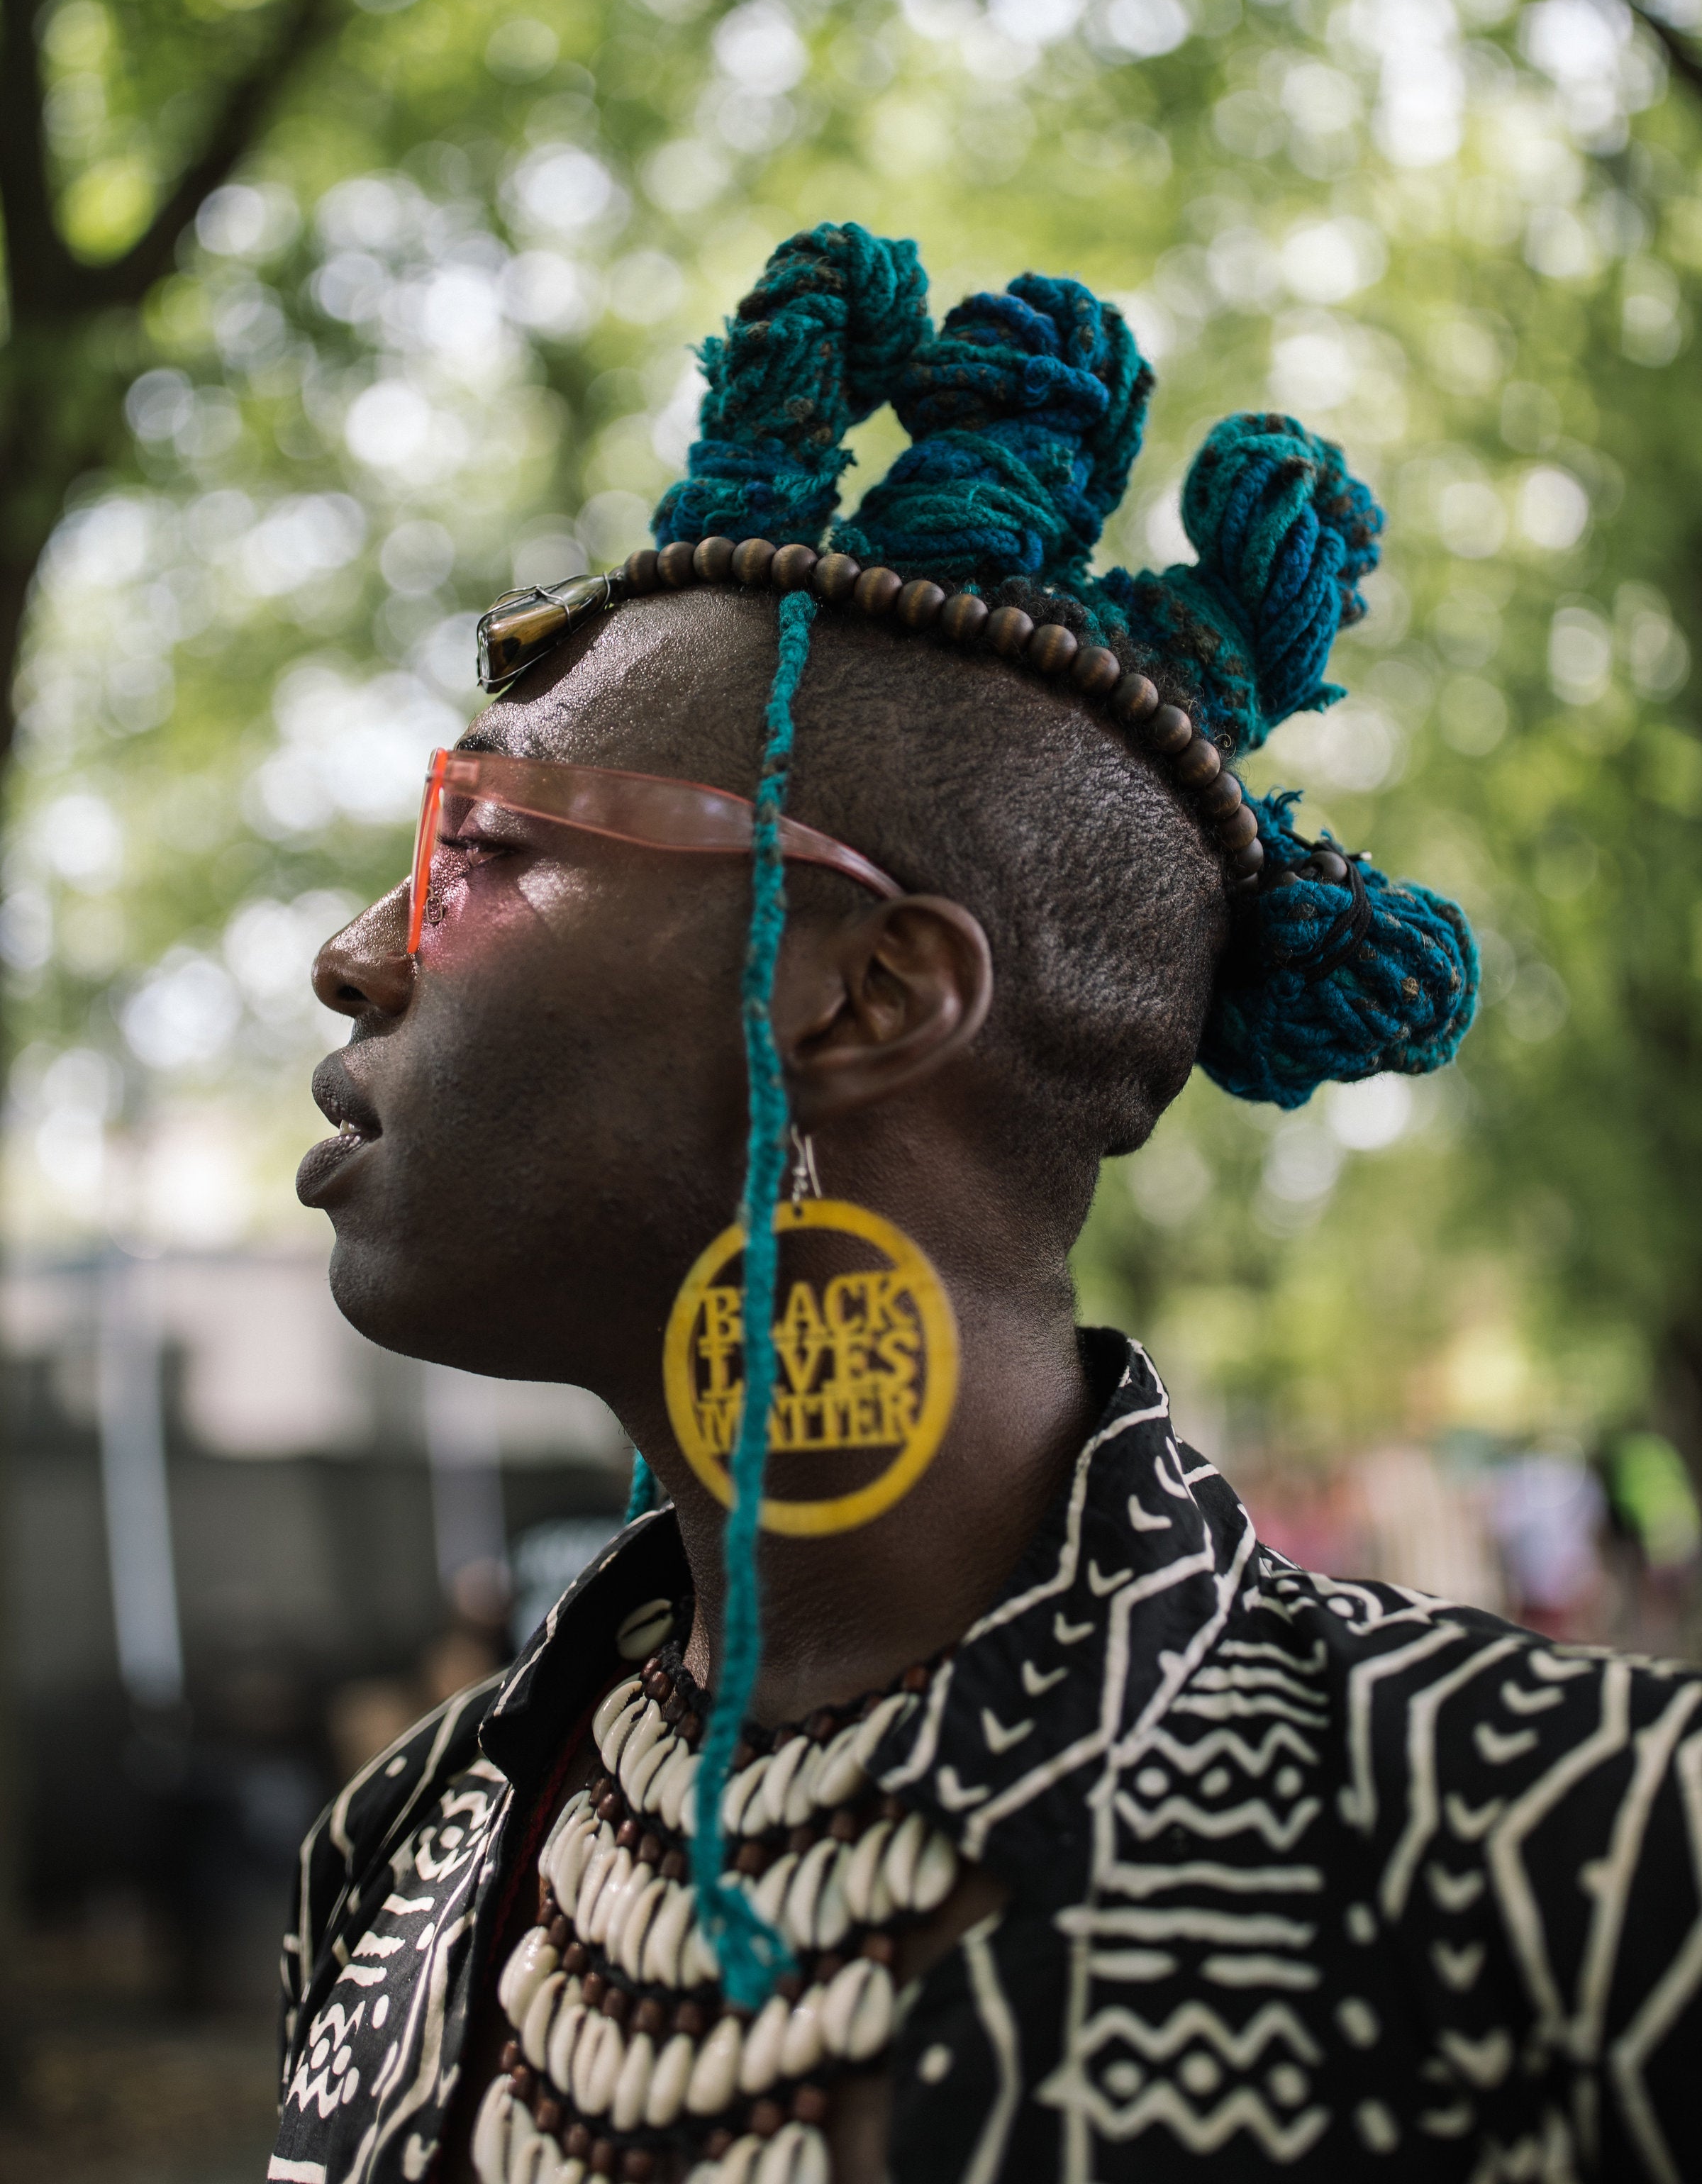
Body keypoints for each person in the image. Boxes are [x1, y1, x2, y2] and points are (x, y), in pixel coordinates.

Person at [272, 227, 1701, 2184]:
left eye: (490, 847)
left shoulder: (1594, 1865)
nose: (357, 955)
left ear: (864, 992)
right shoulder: (398, 1853)